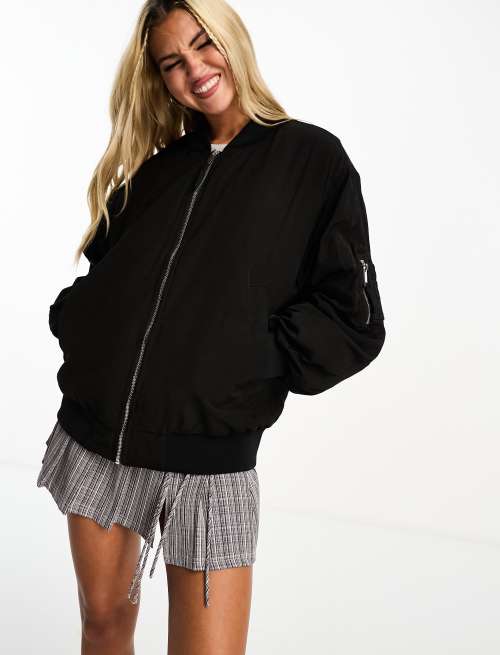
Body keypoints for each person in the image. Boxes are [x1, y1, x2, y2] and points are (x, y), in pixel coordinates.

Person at [36, 0, 386, 652]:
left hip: (212, 463)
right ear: (161, 79)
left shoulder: (311, 159)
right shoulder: (161, 168)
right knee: (102, 626)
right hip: (100, 438)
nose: (194, 69)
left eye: (203, 44)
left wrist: (245, 363)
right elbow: (105, 275)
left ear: (232, 37)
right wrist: (81, 325)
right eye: (172, 61)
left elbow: (353, 317)